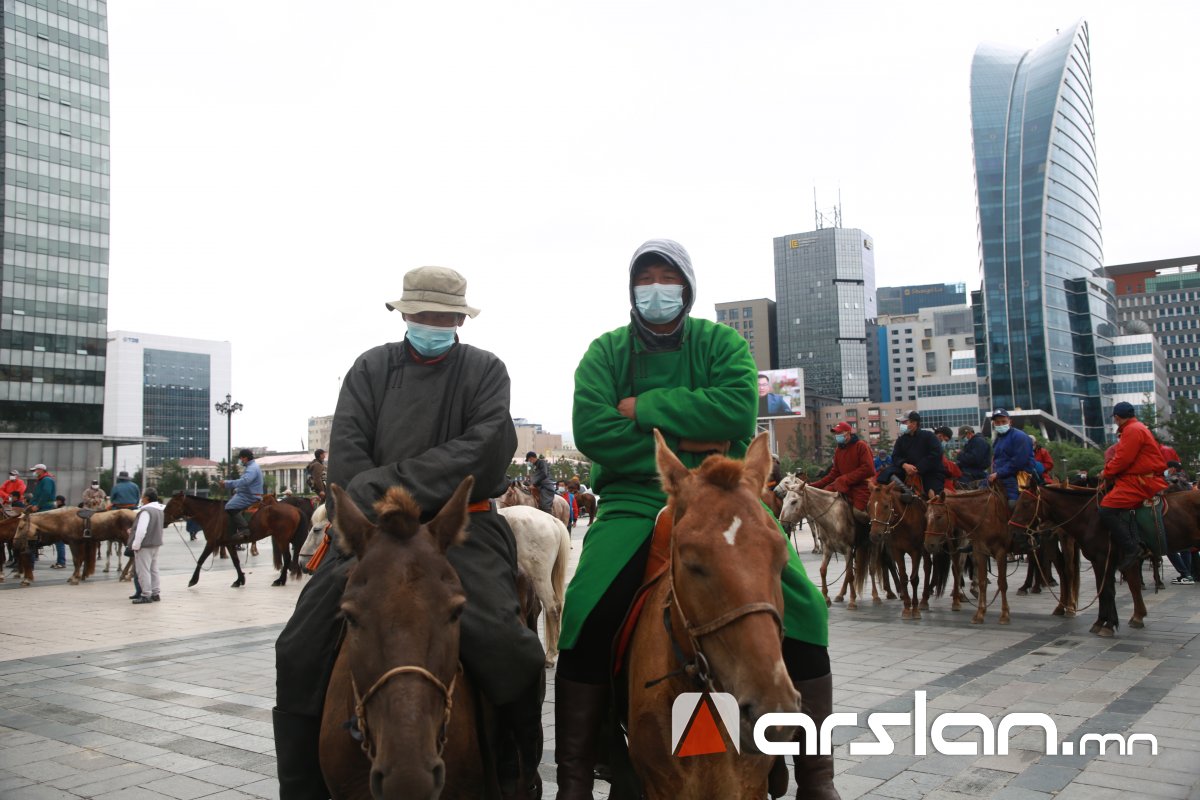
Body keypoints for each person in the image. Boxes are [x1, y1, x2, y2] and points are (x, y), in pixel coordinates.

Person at [560, 239, 838, 799]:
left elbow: (735, 411)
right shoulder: (605, 352)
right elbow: (592, 430)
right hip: (636, 498)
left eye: (668, 279)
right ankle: (574, 780)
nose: (656, 289)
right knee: (587, 608)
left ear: (687, 288)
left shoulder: (722, 343)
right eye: (646, 279)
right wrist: (693, 436)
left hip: (725, 490)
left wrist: (644, 409)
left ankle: (817, 776)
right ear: (632, 288)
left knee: (805, 607)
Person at [273, 266, 545, 800]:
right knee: (299, 645)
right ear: (404, 313)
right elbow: (347, 457)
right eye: (423, 313)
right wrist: (374, 497)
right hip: (374, 532)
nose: (433, 323)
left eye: (444, 316)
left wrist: (385, 483)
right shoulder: (369, 369)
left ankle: (517, 771)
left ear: (460, 319)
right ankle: (301, 786)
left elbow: (483, 453)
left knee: (506, 643)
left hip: (461, 527)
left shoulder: (486, 370)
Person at [1099, 401, 1169, 573]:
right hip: (1137, 479)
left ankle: (1132, 548)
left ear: (1117, 417)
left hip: (1140, 482)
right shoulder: (1136, 427)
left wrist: (1105, 473)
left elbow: (1123, 459)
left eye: (1114, 418)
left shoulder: (1132, 430)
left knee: (1106, 508)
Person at [875, 412, 944, 502]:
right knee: (887, 473)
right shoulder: (901, 439)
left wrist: (917, 468)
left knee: (934, 496)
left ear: (914, 423)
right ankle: (908, 492)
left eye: (904, 422)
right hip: (906, 469)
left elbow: (936, 454)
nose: (901, 425)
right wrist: (904, 465)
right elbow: (895, 456)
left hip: (927, 471)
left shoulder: (929, 436)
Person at [811, 421, 875, 516]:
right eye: (836, 433)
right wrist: (814, 485)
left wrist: (846, 479)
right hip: (843, 485)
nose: (837, 435)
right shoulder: (838, 450)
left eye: (839, 433)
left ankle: (870, 525)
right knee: (823, 499)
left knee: (858, 513)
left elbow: (868, 469)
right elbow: (834, 473)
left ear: (848, 433)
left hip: (861, 486)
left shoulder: (861, 445)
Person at [987, 409, 1038, 507]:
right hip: (1000, 476)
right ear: (994, 424)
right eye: (997, 422)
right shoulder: (998, 439)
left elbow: (1018, 462)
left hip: (1017, 478)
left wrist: (998, 473)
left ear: (1010, 422)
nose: (1000, 424)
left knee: (1012, 505)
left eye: (1003, 421)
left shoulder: (1020, 436)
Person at [129, 488, 165, 604]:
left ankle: (146, 594)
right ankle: (155, 593)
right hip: (156, 543)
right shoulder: (159, 510)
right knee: (154, 569)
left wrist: (136, 544)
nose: (142, 498)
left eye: (143, 496)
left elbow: (141, 531)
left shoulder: (146, 511)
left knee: (143, 570)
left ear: (147, 498)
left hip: (145, 545)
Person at [28, 464, 66, 569]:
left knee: (36, 533)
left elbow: (46, 494)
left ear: (41, 470)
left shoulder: (46, 480)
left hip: (45, 508)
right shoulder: (42, 480)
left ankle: (60, 561)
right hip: (41, 507)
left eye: (36, 470)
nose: (35, 472)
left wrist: (37, 505)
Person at [223, 449, 263, 543]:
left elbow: (245, 481)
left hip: (250, 496)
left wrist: (226, 483)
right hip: (248, 493)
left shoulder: (252, 468)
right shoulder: (252, 467)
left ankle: (244, 529)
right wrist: (237, 490)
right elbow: (248, 484)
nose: (241, 461)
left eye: (241, 458)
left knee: (229, 506)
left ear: (245, 458)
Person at [934, 427, 963, 492]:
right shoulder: (932, 444)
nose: (944, 442)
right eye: (946, 440)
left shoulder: (937, 446)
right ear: (941, 435)